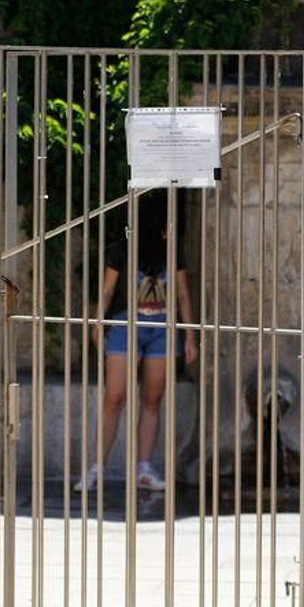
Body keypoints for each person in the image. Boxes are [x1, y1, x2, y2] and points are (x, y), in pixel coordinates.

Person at [77, 197, 198, 494]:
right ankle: (96, 470)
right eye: (166, 223)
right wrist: (98, 323)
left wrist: (190, 335)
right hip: (125, 326)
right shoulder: (123, 249)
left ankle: (143, 468)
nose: (171, 229)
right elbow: (107, 290)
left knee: (152, 399)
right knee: (114, 397)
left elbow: (182, 295)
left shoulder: (172, 252)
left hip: (162, 329)